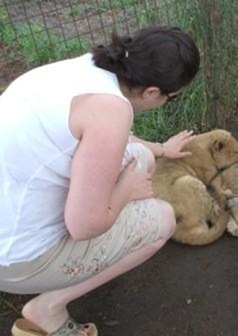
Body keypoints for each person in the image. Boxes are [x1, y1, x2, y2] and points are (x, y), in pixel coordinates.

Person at [0, 25, 200, 336]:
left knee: (142, 159)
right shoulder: (112, 110)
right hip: (15, 260)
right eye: (171, 98)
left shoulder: (81, 70)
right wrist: (125, 190)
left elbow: (105, 136)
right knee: (162, 219)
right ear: (151, 92)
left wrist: (161, 150)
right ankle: (47, 309)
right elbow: (84, 226)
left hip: (11, 210)